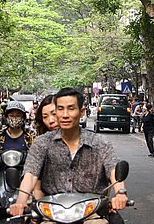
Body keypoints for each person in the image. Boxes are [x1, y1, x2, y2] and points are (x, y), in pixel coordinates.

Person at [9, 88, 129, 223]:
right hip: (52, 213)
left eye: (71, 108)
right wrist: (20, 201)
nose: (65, 115)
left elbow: (113, 168)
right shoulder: (41, 142)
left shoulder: (100, 142)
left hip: (92, 214)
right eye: (60, 109)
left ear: (81, 112)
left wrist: (120, 193)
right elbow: (31, 174)